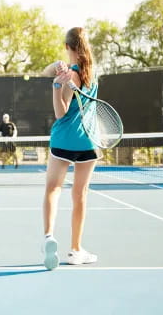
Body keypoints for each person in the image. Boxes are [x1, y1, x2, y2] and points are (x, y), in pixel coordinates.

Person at [41, 27, 98, 270]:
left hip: (64, 140)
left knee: (53, 189)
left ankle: (48, 236)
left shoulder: (69, 75)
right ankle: (76, 250)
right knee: (80, 195)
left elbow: (61, 112)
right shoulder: (93, 73)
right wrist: (58, 67)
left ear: (67, 47)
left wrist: (57, 85)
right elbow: (48, 71)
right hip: (87, 141)